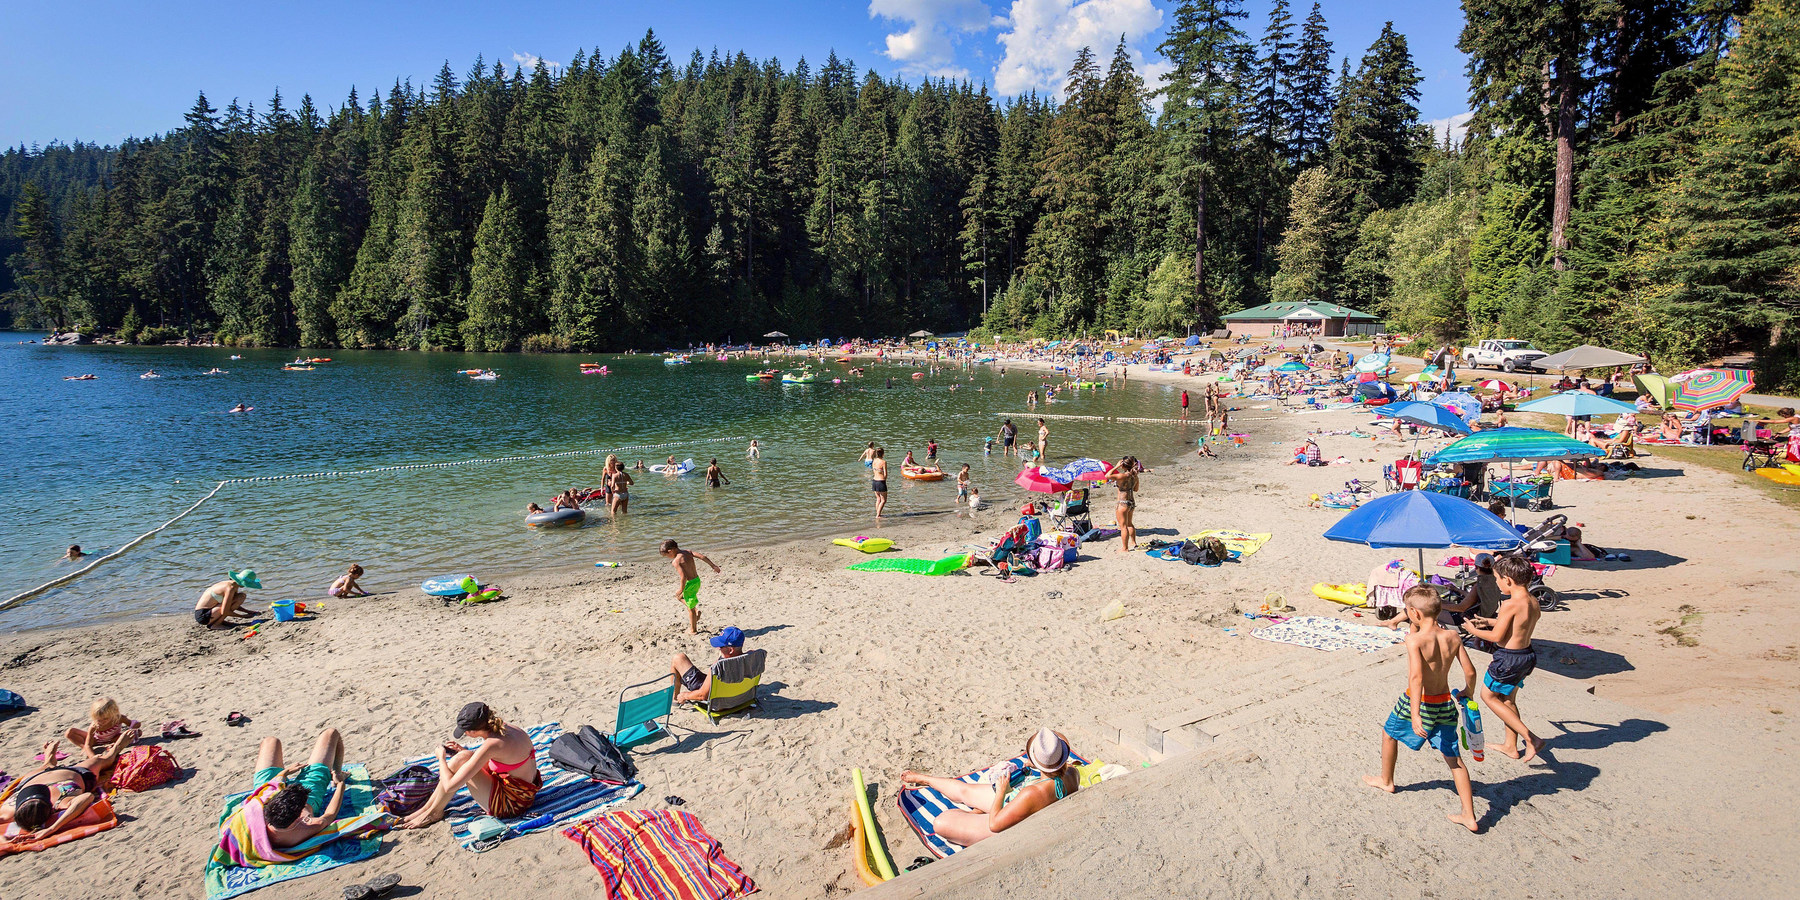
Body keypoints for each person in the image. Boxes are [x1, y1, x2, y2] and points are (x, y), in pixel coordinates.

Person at [1362, 585, 1480, 832]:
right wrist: (1467, 691)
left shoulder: (1414, 639)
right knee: (1454, 759)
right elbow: (1470, 671)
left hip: (1420, 702)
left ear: (1414, 613)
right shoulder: (1453, 637)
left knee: (1389, 733)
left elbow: (1415, 678)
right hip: (1446, 702)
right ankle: (1469, 815)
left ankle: (1387, 780)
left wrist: (1415, 714)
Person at [899, 729, 1078, 848]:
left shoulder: (1031, 792)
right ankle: (925, 779)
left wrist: (1001, 791)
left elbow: (995, 825)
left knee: (941, 822)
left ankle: (977, 813)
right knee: (965, 791)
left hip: (1010, 825)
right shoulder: (1072, 773)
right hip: (1020, 804)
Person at [1461, 555, 1544, 763]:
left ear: (1508, 580)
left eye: (1498, 579)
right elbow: (1518, 625)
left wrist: (1472, 629)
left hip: (1508, 659)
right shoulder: (1532, 601)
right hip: (1526, 656)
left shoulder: (1509, 604)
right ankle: (1510, 746)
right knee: (1508, 700)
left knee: (1488, 696)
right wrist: (1489, 621)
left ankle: (1530, 737)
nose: (1497, 583)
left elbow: (1497, 637)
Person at [401, 704, 540, 828]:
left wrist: (441, 759)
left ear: (472, 732)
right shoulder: (507, 728)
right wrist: (464, 753)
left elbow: (450, 786)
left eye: (465, 732)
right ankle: (428, 808)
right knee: (464, 756)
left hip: (512, 806)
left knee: (459, 761)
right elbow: (503, 760)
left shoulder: (491, 744)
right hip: (522, 793)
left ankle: (433, 812)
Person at [0, 731, 136, 842]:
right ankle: (117, 747)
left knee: (47, 766)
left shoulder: (7, 813)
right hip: (59, 776)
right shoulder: (60, 803)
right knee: (100, 760)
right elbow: (87, 797)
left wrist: (5, 839)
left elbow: (87, 797)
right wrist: (53, 828)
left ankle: (50, 758)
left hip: (37, 778)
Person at [244, 728, 353, 848]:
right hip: (309, 797)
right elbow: (330, 813)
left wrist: (284, 773)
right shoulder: (307, 827)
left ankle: (282, 783)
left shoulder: (253, 818)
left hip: (268, 790)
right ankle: (337, 773)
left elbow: (264, 794)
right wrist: (340, 785)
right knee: (331, 733)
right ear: (299, 817)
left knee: (270, 741)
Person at [670, 626, 748, 702]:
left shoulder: (719, 666)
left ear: (730, 650)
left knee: (678, 658)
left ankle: (675, 698)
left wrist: (685, 696)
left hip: (716, 700)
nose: (718, 648)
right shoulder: (751, 659)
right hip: (738, 697)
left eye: (721, 647)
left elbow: (703, 695)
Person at [661, 539, 721, 634]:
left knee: (690, 608)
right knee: (679, 597)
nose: (667, 557)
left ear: (670, 551)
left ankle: (693, 630)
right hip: (697, 581)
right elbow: (702, 557)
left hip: (689, 583)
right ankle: (696, 610)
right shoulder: (687, 552)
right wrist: (713, 566)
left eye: (666, 556)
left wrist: (681, 588)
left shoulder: (676, 561)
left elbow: (683, 577)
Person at [63, 697, 140, 751]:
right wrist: (91, 754)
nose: (101, 722)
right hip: (96, 740)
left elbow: (132, 724)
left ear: (114, 714)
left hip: (114, 738)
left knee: (138, 733)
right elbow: (89, 744)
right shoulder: (94, 726)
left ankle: (114, 744)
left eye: (105, 719)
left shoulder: (119, 718)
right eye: (98, 719)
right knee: (69, 732)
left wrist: (135, 725)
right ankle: (84, 748)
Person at [195, 573, 260, 629]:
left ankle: (219, 621)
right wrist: (243, 616)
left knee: (240, 597)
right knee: (241, 597)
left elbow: (231, 603)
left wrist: (248, 612)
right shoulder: (230, 588)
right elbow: (224, 611)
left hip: (206, 612)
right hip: (203, 616)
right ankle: (216, 624)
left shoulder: (230, 584)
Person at [1106, 458, 1140, 553]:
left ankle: (1125, 548)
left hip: (1122, 503)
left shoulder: (1121, 476)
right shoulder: (1134, 476)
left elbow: (1107, 475)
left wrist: (1116, 466)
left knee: (1123, 526)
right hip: (1131, 502)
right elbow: (1136, 489)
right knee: (1130, 523)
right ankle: (1133, 542)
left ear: (1123, 465)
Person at [871, 448, 889, 518]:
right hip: (881, 481)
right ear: (883, 454)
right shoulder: (883, 462)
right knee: (883, 500)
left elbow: (873, 470)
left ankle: (878, 513)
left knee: (878, 498)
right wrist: (884, 479)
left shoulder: (874, 461)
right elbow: (885, 474)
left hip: (874, 480)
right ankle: (878, 515)